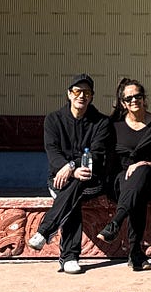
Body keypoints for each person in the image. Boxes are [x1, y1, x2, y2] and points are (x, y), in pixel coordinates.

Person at [28, 74, 114, 274]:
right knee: (72, 192)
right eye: (77, 91)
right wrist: (69, 169)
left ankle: (46, 232)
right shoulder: (53, 120)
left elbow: (97, 154)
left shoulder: (101, 122)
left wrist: (73, 166)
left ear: (92, 96)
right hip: (59, 179)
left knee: (78, 183)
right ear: (69, 94)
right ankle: (69, 257)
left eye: (87, 92)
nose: (81, 96)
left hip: (91, 179)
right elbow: (52, 152)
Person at [96, 78, 151, 270]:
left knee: (139, 176)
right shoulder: (113, 126)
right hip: (121, 181)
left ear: (144, 98)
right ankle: (135, 253)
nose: (134, 100)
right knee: (134, 191)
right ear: (123, 103)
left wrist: (143, 163)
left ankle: (116, 222)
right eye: (129, 98)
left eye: (137, 96)